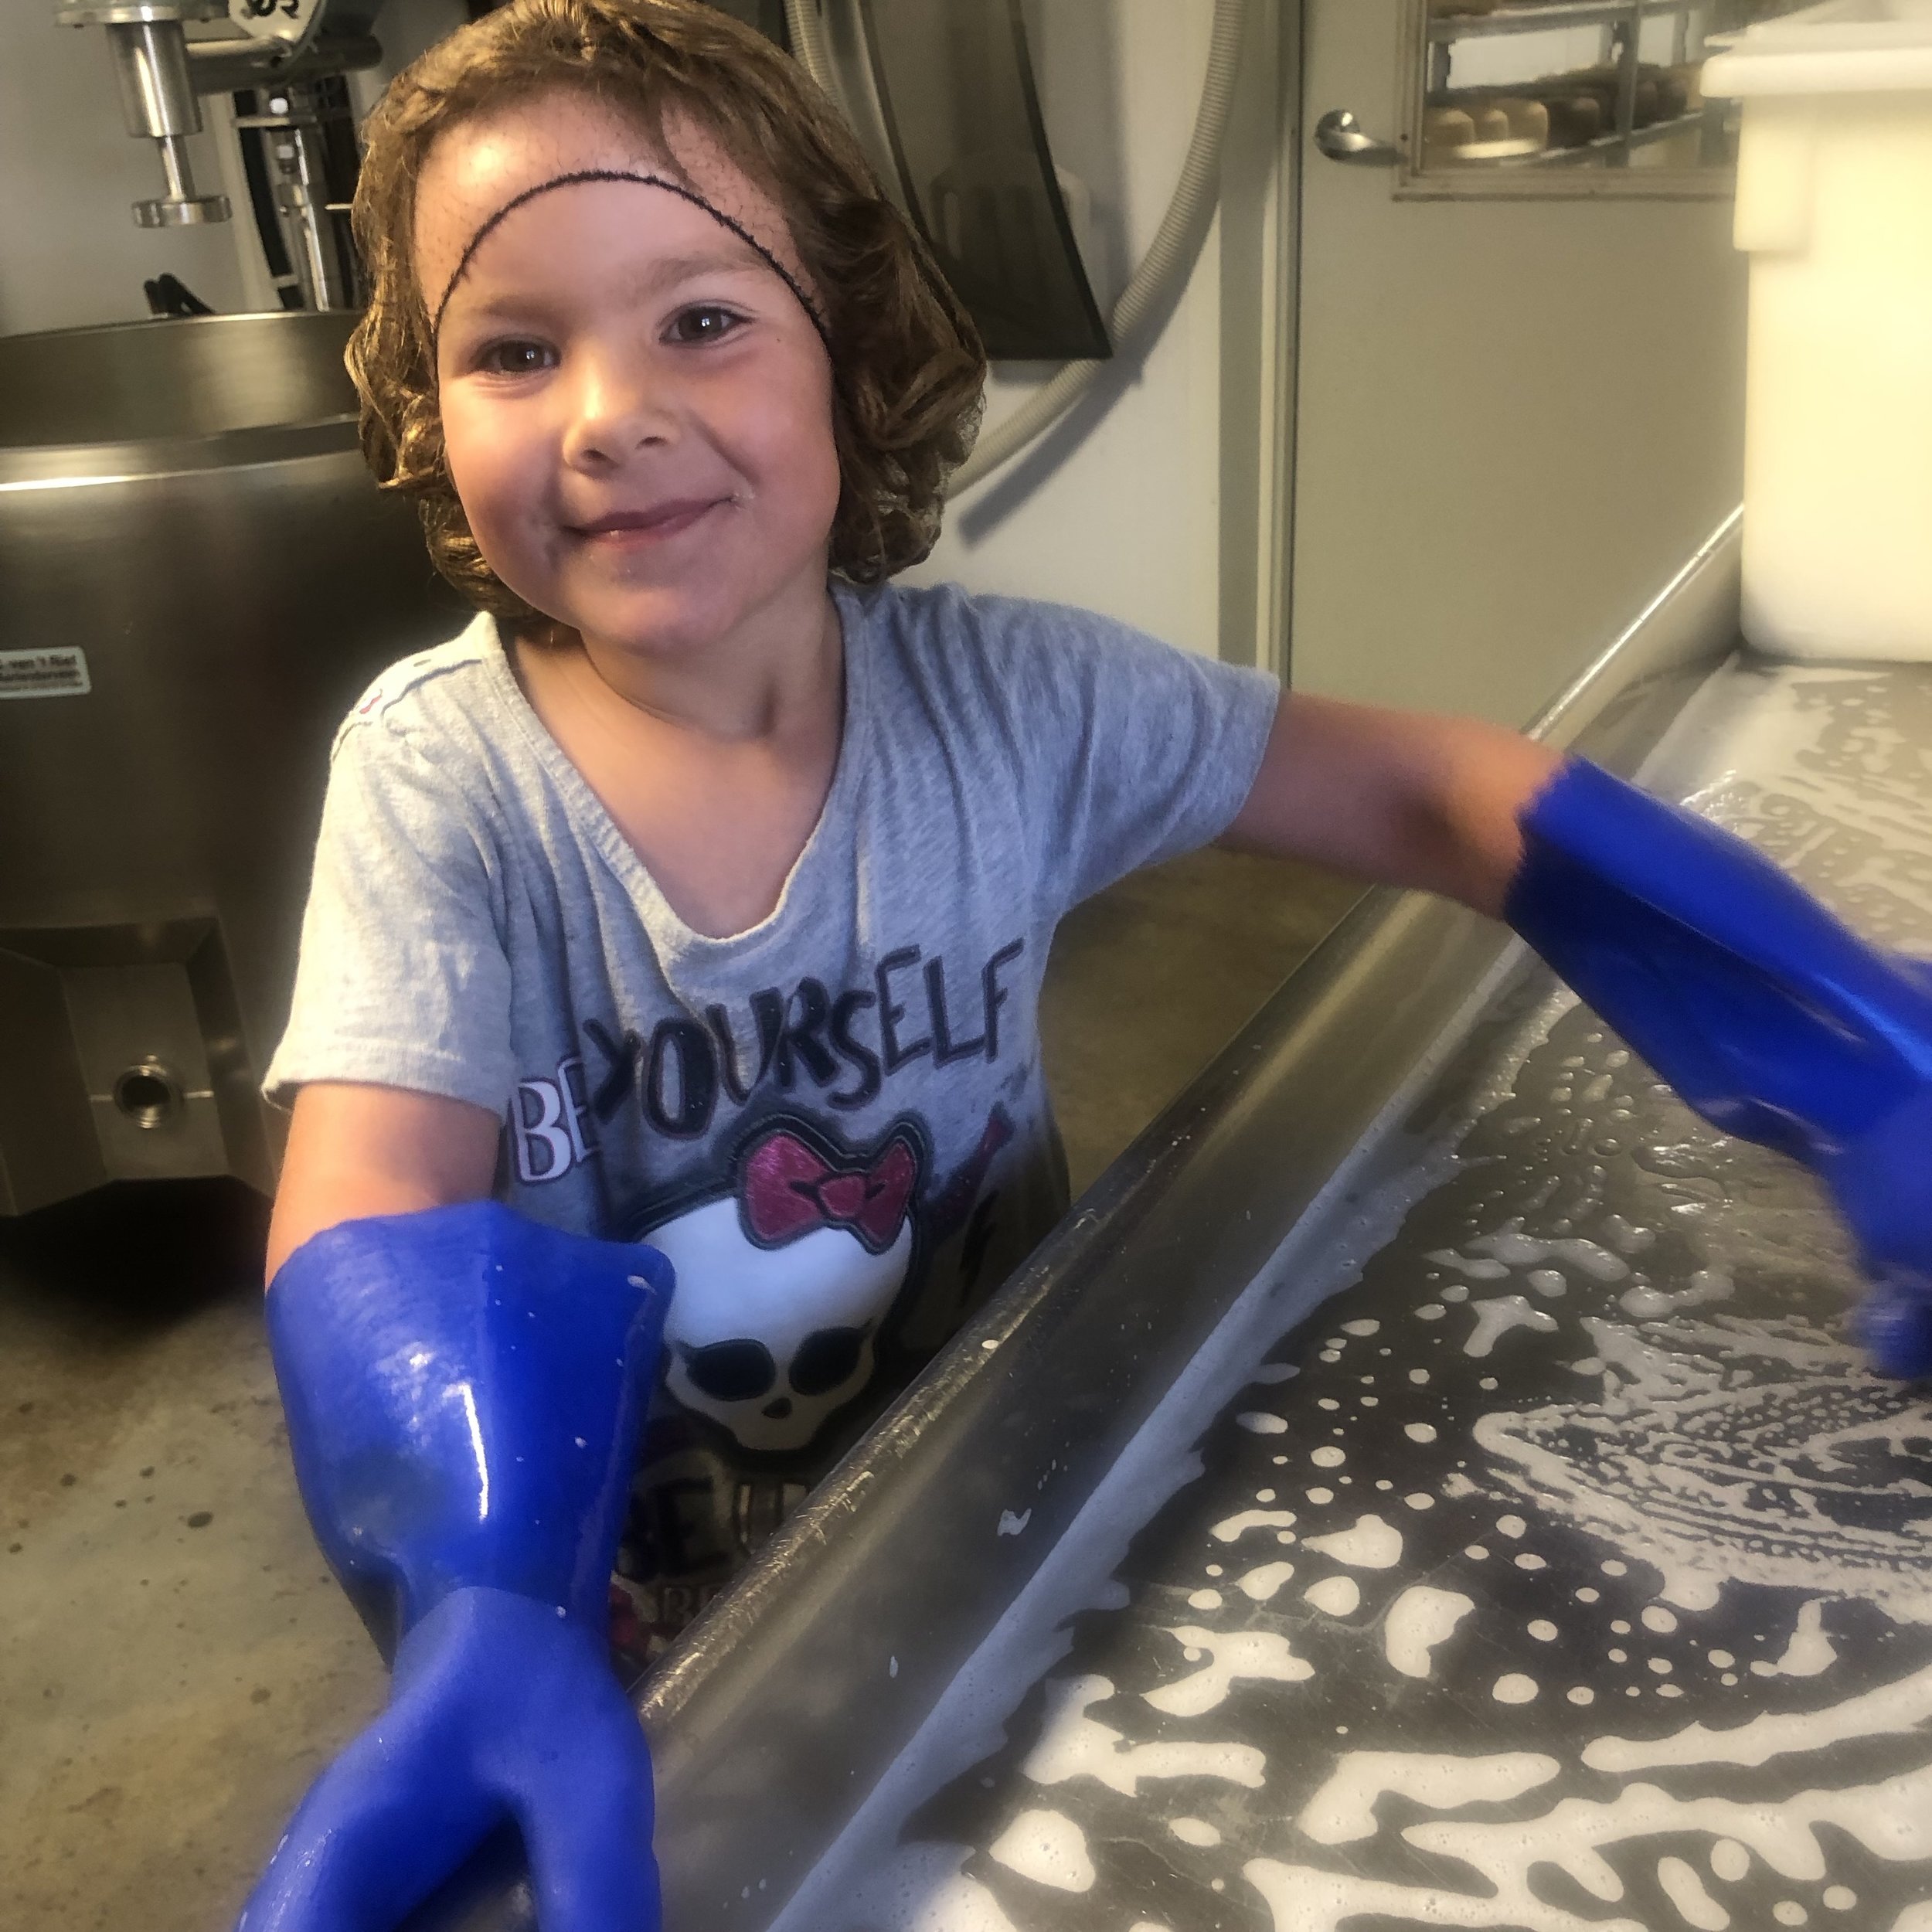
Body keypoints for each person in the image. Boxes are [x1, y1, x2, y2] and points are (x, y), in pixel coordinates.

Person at [243, 2, 1932, 1927]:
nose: (606, 407)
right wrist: (478, 1583)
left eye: (700, 317)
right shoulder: (440, 782)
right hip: (605, 1623)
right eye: (513, 346)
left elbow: (1447, 797)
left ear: (849, 349)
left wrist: (1847, 1042)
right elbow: (369, 1193)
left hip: (995, 1515)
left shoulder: (1012, 709)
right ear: (422, 411)